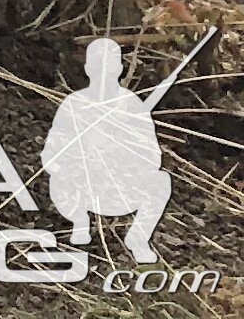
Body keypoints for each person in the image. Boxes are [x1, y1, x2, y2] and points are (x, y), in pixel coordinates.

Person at [42, 35, 175, 261]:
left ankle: (138, 238)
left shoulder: (132, 106)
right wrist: (76, 161)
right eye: (97, 62)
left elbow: (153, 155)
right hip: (82, 185)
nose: (104, 68)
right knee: (59, 179)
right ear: (87, 67)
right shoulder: (75, 104)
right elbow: (51, 153)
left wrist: (123, 153)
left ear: (120, 68)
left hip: (120, 186)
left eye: (110, 62)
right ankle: (79, 223)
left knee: (161, 182)